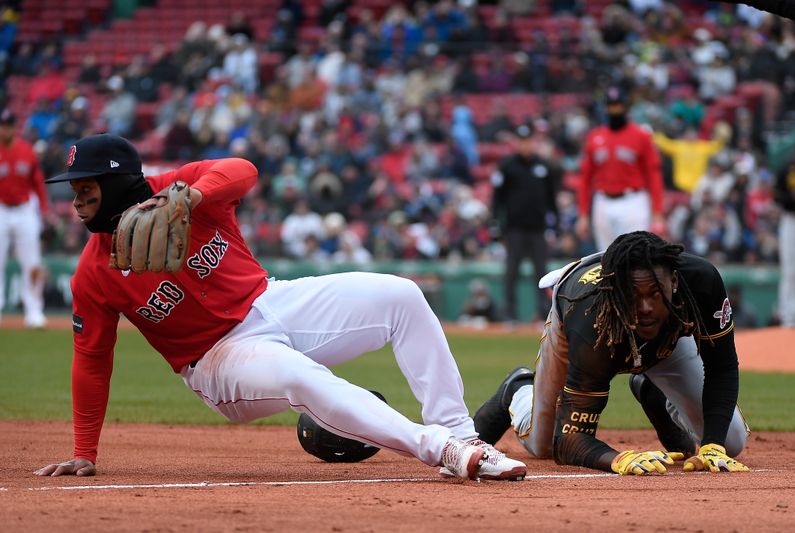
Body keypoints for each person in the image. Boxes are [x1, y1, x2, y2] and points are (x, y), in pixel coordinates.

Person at [33, 133, 526, 482]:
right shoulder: (93, 273)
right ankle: (440, 448)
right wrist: (83, 452)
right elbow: (92, 362)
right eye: (75, 192)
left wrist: (189, 199)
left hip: (272, 299)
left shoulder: (182, 188)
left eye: (85, 190)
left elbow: (243, 170)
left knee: (402, 296)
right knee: (299, 376)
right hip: (216, 360)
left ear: (118, 184)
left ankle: (464, 432)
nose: (75, 204)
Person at [473, 231, 750, 475]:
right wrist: (618, 459)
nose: (646, 308)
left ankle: (649, 388)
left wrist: (712, 445)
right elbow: (569, 441)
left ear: (674, 282)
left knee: (730, 442)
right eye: (633, 294)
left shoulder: (701, 281)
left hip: (667, 336)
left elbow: (721, 367)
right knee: (543, 443)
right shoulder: (590, 318)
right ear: (615, 290)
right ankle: (519, 388)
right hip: (584, 314)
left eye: (655, 293)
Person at [575, 87, 666, 252]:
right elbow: (585, 179)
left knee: (635, 256)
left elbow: (653, 175)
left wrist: (657, 212)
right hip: (602, 200)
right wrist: (583, 213)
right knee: (606, 257)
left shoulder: (641, 136)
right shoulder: (595, 137)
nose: (614, 109)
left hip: (633, 201)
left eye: (618, 105)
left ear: (625, 106)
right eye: (611, 105)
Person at [491, 125, 561, 326]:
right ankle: (509, 314)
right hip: (515, 228)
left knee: (542, 273)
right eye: (521, 141)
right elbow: (498, 199)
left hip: (538, 228)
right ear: (517, 143)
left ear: (534, 142)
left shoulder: (544, 166)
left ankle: (544, 314)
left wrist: (555, 224)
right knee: (511, 271)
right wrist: (496, 224)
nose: (525, 145)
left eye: (528, 140)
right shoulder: (508, 166)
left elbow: (551, 199)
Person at [0, 108, 48, 329]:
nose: (5, 129)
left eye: (9, 125)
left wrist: (44, 210)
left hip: (24, 209)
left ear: (14, 127)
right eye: (2, 125)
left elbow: (37, 182)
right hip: (1, 209)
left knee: (32, 262)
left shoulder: (26, 151)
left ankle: (34, 311)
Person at [774, 141, 795, 328]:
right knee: (790, 268)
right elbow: (777, 195)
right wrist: (792, 198)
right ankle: (789, 316)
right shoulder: (787, 168)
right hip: (791, 220)